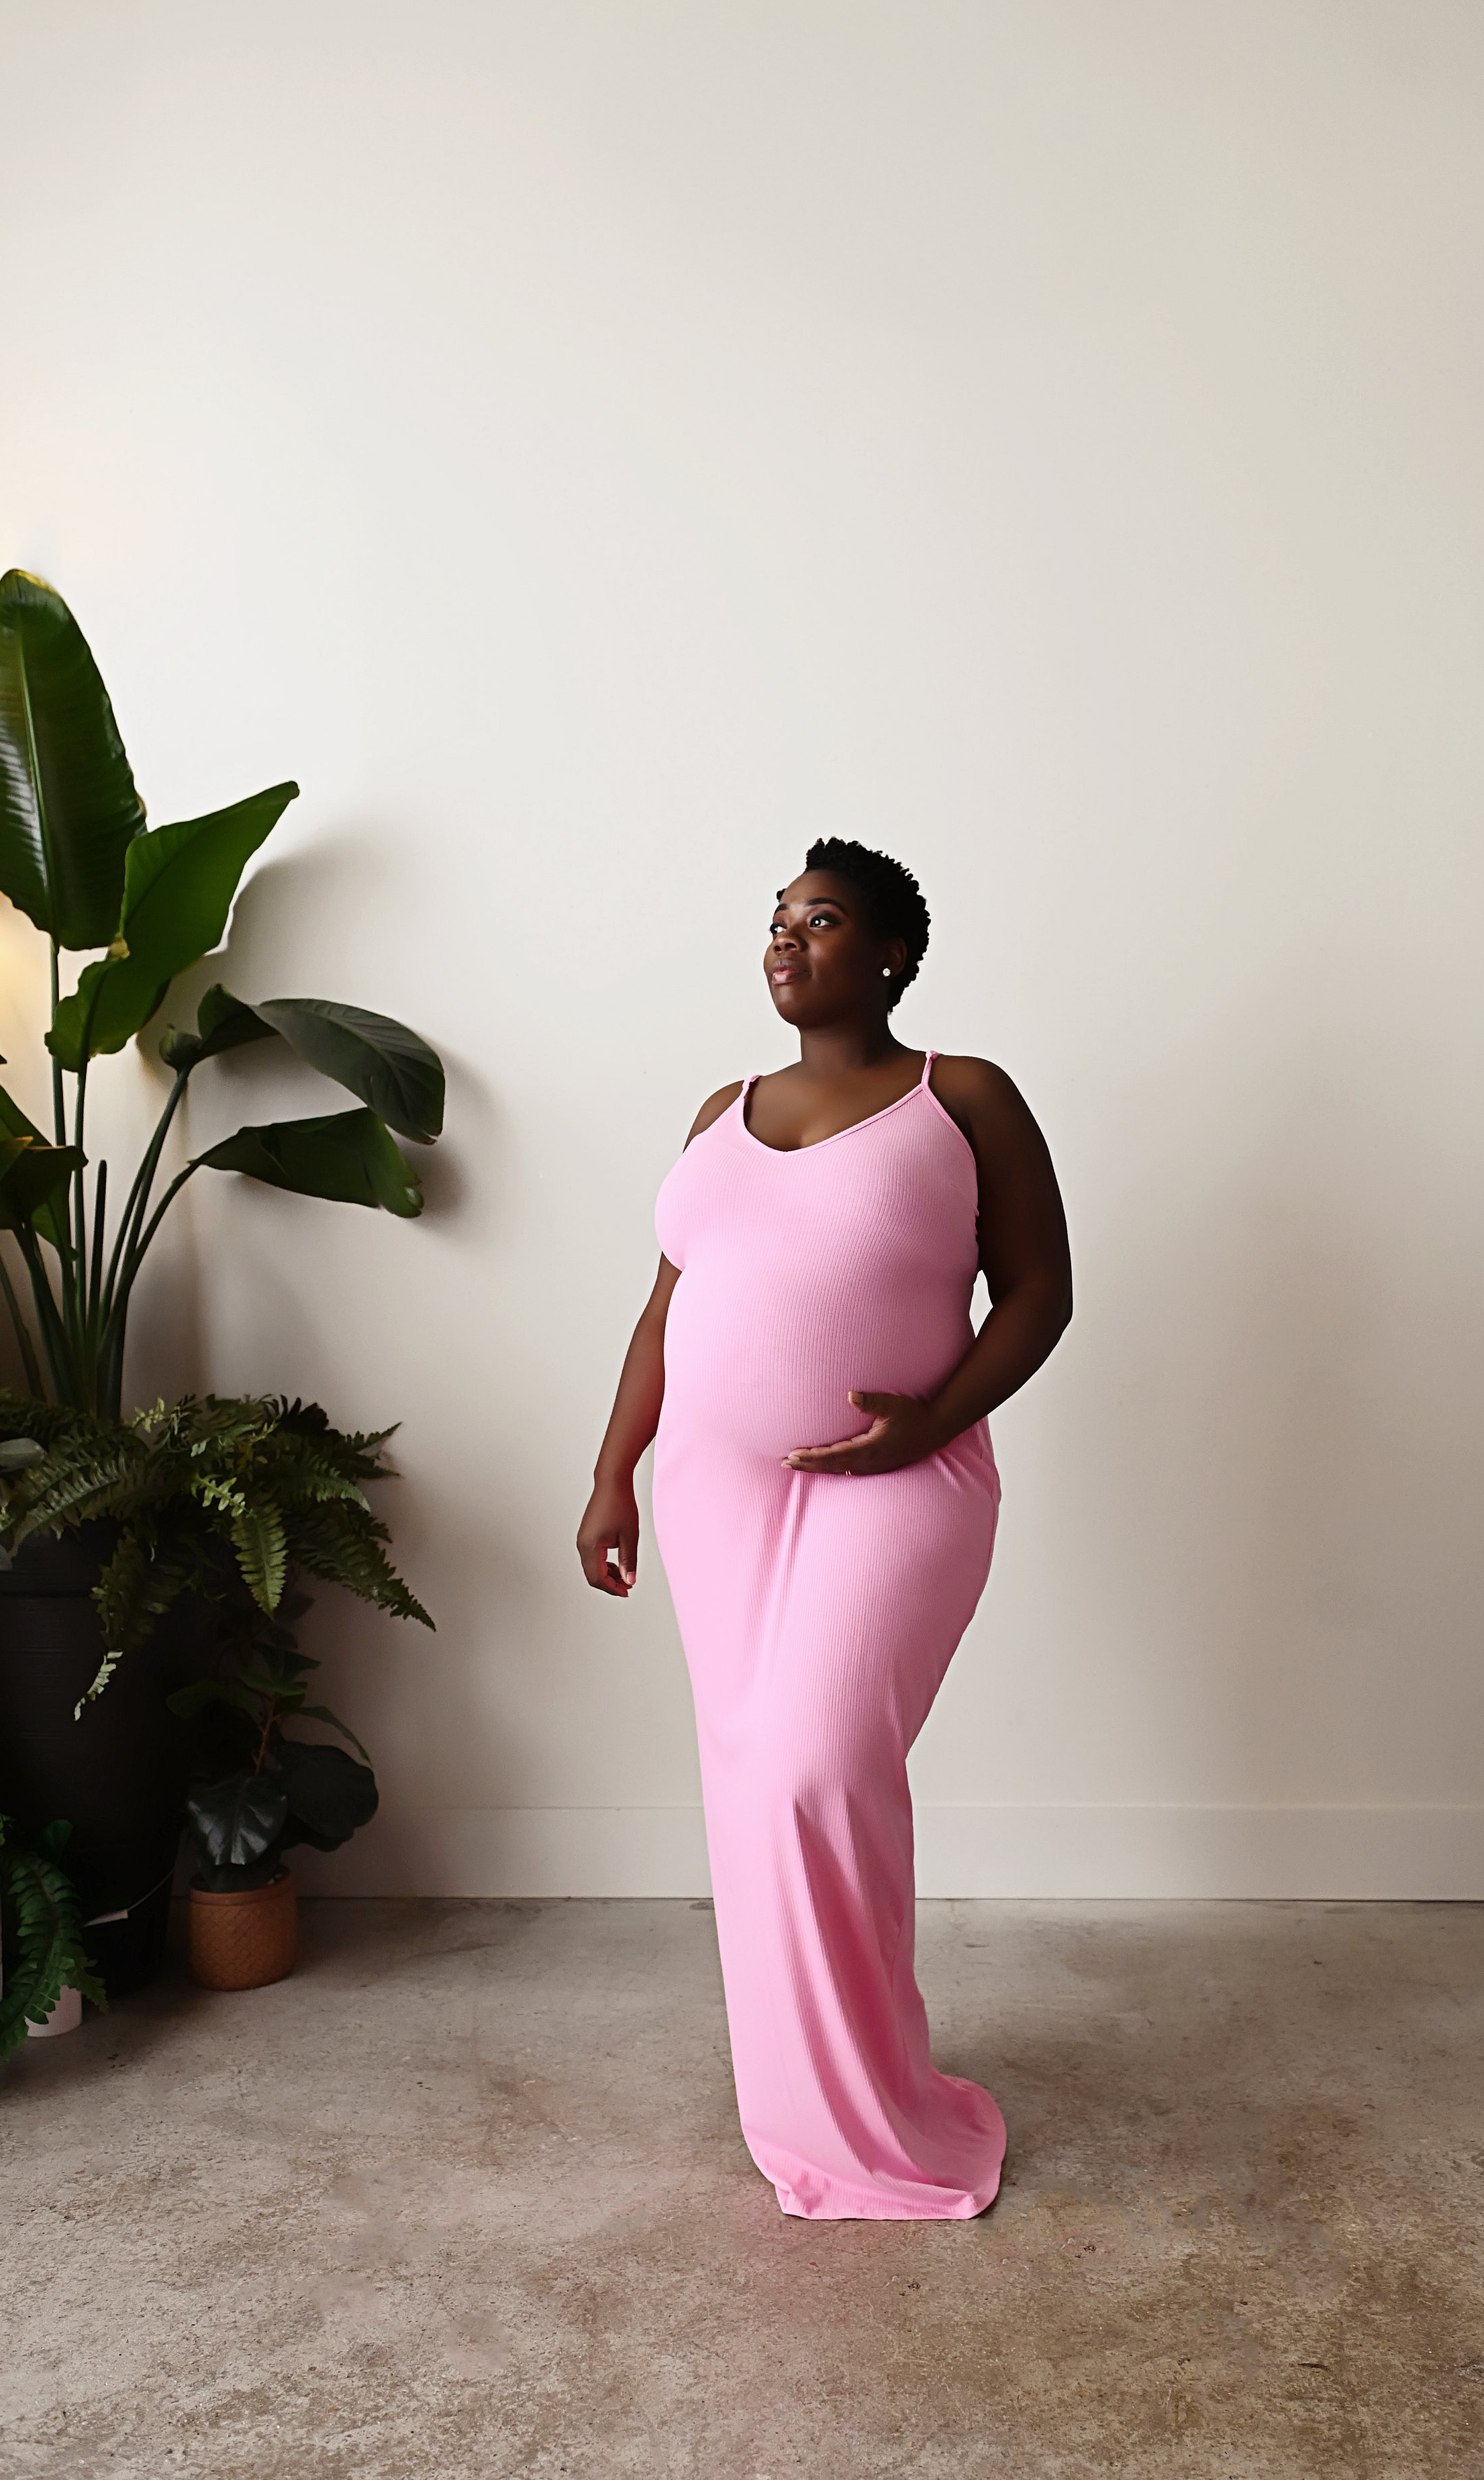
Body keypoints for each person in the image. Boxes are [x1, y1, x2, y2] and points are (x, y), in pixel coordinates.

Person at [578, 836, 1072, 2219]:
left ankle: (887, 2113)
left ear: (890, 954)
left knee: (813, 1767)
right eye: (778, 920)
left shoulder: (957, 1095)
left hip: (896, 1482)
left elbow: (1038, 1290)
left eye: (824, 919)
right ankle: (804, 2108)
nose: (787, 939)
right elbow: (664, 1310)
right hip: (715, 1497)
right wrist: (616, 1468)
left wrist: (928, 1421)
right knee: (754, 1799)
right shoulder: (718, 1110)